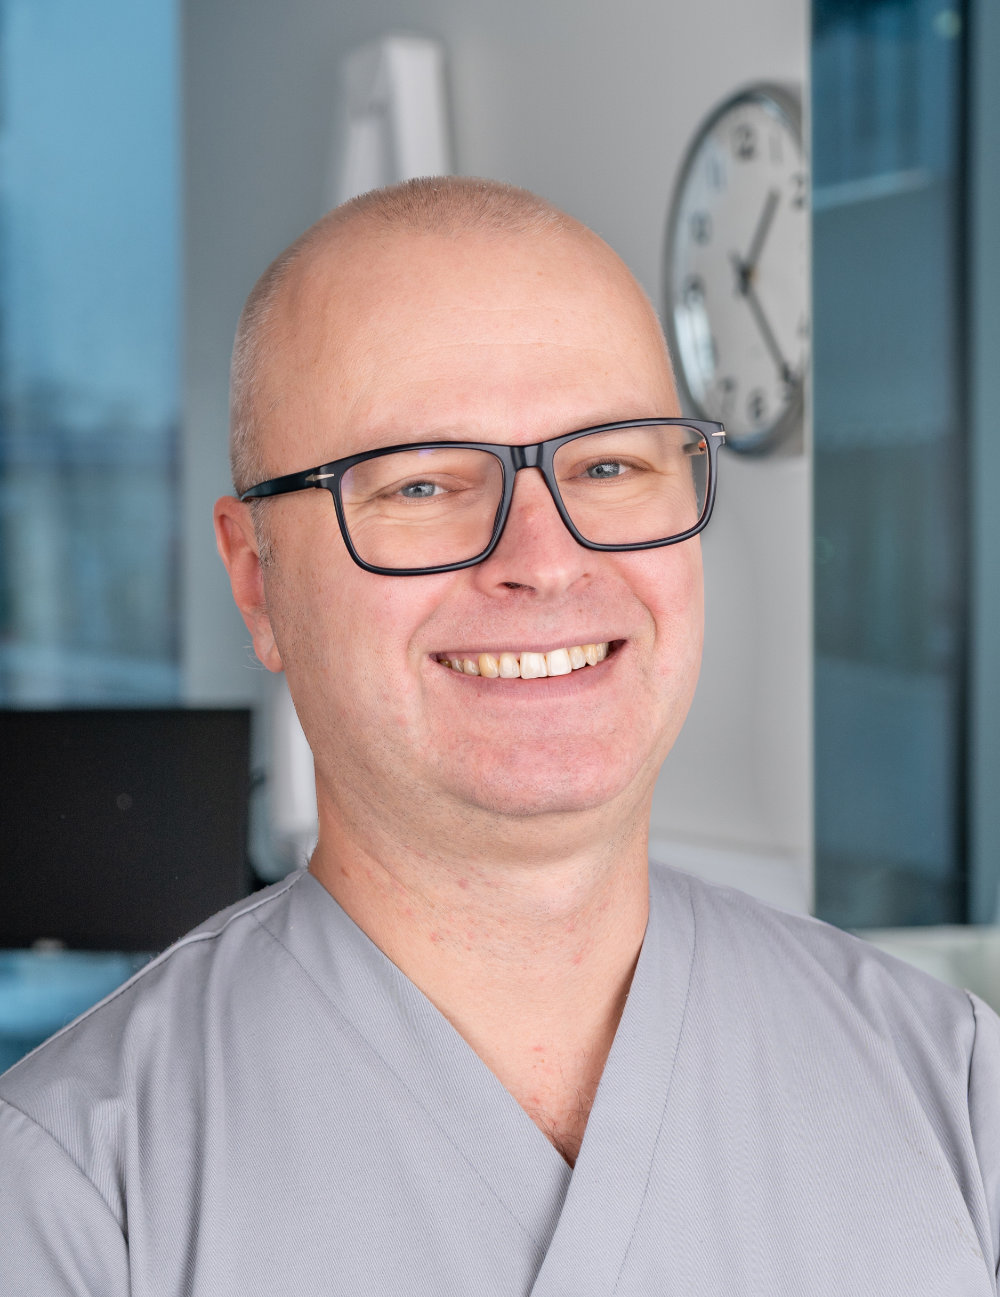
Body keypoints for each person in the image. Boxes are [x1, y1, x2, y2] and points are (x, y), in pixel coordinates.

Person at [1, 177, 998, 1296]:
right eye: (423, 484)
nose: (544, 559)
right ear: (256, 580)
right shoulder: (66, 1203)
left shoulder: (955, 1093)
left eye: (609, 466)